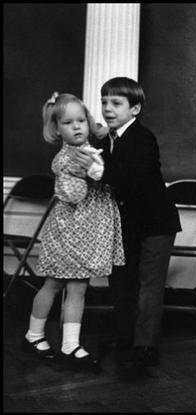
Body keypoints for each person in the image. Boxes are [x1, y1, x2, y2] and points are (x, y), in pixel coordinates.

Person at [73, 77, 181, 375]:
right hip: (127, 224)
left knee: (148, 286)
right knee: (121, 282)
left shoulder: (143, 138)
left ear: (135, 109)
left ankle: (145, 347)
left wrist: (96, 171)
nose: (108, 108)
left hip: (155, 224)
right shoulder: (110, 138)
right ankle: (126, 337)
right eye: (104, 102)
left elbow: (129, 180)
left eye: (116, 103)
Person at [22, 92, 125, 373]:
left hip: (85, 233)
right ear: (57, 129)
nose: (77, 126)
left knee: (78, 287)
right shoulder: (67, 159)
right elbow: (74, 194)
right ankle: (34, 335)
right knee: (53, 284)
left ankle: (69, 344)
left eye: (81, 120)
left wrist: (99, 147)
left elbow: (101, 141)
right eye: (68, 123)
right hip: (69, 232)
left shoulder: (87, 149)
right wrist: (89, 172)